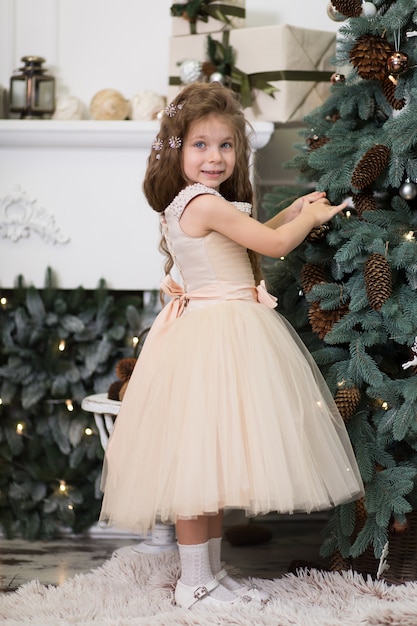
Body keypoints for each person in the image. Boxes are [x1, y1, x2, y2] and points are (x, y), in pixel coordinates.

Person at [99, 82, 364, 611]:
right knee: (199, 469)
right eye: (200, 145)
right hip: (215, 336)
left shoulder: (204, 204)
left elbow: (245, 238)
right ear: (177, 149)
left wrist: (289, 212)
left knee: (210, 466)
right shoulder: (200, 201)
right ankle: (194, 584)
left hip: (218, 329)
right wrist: (305, 221)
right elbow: (270, 246)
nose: (215, 156)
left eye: (225, 145)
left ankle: (209, 574)